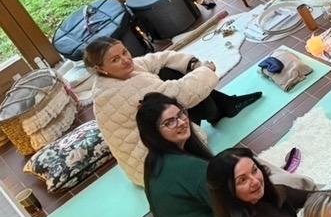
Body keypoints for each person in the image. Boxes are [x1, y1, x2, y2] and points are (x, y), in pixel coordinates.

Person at [86, 37, 262, 187]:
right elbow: (183, 93)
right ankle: (221, 109)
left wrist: (190, 63)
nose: (125, 60)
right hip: (154, 166)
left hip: (145, 156)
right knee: (184, 94)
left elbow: (157, 59)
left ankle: (223, 107)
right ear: (100, 69)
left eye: (124, 52)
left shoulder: (111, 78)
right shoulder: (123, 90)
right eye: (115, 59)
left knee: (167, 71)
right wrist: (205, 69)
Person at [136, 93, 227, 217]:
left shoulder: (153, 160)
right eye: (169, 122)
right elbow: (232, 206)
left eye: (181, 114)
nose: (181, 122)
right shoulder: (189, 167)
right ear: (154, 132)